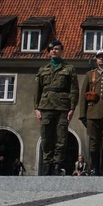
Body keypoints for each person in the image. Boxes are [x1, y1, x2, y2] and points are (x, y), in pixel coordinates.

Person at [35, 40, 79, 176]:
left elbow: (74, 90)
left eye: (57, 49)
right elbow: (38, 90)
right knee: (46, 136)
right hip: (46, 106)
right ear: (49, 52)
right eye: (51, 49)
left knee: (61, 137)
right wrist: (36, 108)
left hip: (62, 106)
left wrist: (72, 108)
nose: (54, 51)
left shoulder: (69, 68)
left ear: (61, 51)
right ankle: (47, 163)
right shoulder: (43, 70)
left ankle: (57, 164)